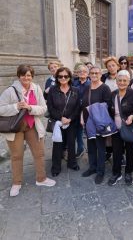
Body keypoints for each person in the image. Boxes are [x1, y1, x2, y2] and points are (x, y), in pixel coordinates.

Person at [0, 64, 56, 197]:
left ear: (32, 76)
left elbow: (43, 108)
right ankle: (16, 183)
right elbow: (1, 108)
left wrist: (30, 107)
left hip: (32, 125)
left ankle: (41, 179)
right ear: (19, 76)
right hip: (15, 128)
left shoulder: (36, 88)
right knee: (17, 155)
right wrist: (16, 106)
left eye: (29, 75)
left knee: (39, 153)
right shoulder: (10, 90)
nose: (26, 77)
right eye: (24, 75)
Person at [47, 67, 80, 176]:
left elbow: (77, 108)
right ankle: (56, 167)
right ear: (57, 77)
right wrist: (61, 118)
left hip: (72, 122)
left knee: (71, 143)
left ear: (69, 77)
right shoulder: (53, 90)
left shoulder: (75, 90)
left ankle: (72, 163)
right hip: (58, 122)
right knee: (58, 145)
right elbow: (50, 108)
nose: (63, 78)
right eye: (60, 76)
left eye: (65, 76)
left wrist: (70, 119)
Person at [81, 65, 112, 184]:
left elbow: (107, 105)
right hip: (88, 121)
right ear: (89, 74)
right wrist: (81, 117)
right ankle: (92, 167)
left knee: (100, 147)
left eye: (96, 73)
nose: (94, 75)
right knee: (91, 146)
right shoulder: (87, 88)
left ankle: (100, 172)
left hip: (99, 122)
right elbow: (83, 104)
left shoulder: (105, 88)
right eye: (92, 73)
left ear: (100, 75)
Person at [108, 70, 133, 186]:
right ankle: (116, 173)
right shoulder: (113, 94)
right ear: (116, 81)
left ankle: (128, 173)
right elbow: (109, 109)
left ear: (128, 81)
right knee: (116, 151)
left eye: (124, 80)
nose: (122, 82)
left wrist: (132, 116)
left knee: (130, 151)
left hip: (128, 127)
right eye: (119, 80)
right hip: (116, 128)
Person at [101, 56, 120, 161]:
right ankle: (108, 151)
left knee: (118, 132)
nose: (112, 68)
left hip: (120, 108)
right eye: (109, 66)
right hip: (107, 108)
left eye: (113, 65)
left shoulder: (123, 76)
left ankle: (120, 153)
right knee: (107, 131)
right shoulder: (104, 78)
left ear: (117, 66)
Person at [72, 64, 91, 157]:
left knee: (89, 130)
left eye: (84, 71)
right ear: (77, 73)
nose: (82, 73)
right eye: (80, 71)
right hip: (75, 110)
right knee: (78, 131)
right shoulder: (73, 83)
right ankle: (80, 148)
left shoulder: (91, 83)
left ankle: (91, 149)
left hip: (87, 110)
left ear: (88, 73)